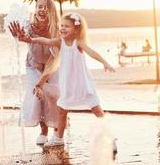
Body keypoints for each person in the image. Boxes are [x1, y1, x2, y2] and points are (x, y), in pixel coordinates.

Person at [16, 13, 115, 146]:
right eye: (61, 25)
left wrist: (105, 63)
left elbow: (92, 53)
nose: (63, 28)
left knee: (97, 110)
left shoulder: (78, 43)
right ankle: (59, 138)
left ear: (76, 29)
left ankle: (110, 137)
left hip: (82, 84)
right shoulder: (60, 42)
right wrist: (30, 40)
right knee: (62, 111)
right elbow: (45, 40)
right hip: (67, 85)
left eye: (67, 26)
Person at [8, 0, 60, 145]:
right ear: (35, 9)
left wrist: (44, 78)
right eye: (39, 6)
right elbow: (23, 36)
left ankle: (57, 130)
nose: (42, 9)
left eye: (46, 7)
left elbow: (55, 57)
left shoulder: (56, 28)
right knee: (38, 96)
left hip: (52, 67)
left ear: (51, 10)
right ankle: (43, 131)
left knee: (54, 96)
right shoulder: (29, 25)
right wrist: (18, 36)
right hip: (33, 66)